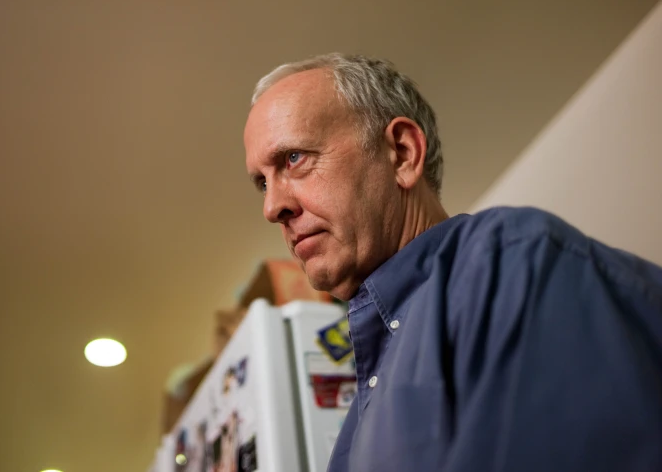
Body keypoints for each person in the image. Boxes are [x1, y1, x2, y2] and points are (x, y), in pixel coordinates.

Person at [242, 53, 662, 472]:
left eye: (294, 158)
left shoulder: (507, 262)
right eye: (262, 181)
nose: (272, 206)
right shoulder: (358, 423)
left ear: (403, 153)